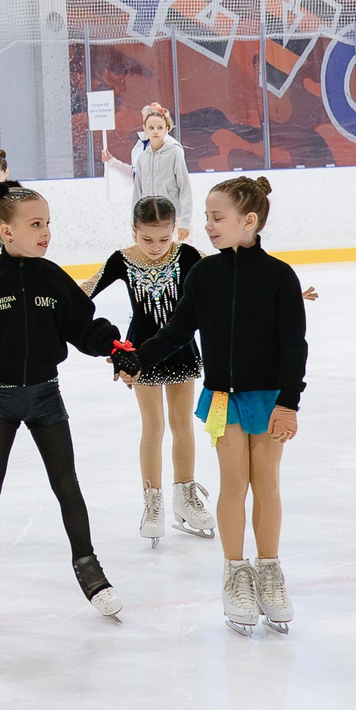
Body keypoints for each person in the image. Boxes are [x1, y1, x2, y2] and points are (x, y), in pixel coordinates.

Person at [116, 176, 308, 636]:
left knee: (267, 485)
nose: (207, 225)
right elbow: (177, 331)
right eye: (205, 217)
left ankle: (269, 570)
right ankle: (235, 572)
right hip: (222, 399)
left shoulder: (280, 276)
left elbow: (293, 347)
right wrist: (138, 359)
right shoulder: (204, 274)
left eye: (216, 218)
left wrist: (289, 403)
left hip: (268, 401)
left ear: (249, 221)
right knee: (232, 483)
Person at [0, 187, 128, 632]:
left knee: (66, 484)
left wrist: (114, 348)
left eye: (47, 223)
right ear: (6, 231)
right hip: (0, 397)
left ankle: (91, 572)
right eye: (35, 224)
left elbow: (84, 326)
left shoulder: (52, 277)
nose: (46, 232)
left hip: (46, 396)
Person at [83, 195, 210, 547]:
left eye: (164, 238)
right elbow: (86, 290)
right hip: (139, 354)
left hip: (182, 349)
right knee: (152, 426)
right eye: (147, 239)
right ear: (134, 231)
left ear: (175, 232)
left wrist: (281, 292)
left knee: (182, 424)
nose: (155, 247)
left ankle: (185, 495)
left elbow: (226, 281)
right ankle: (152, 502)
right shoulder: (122, 260)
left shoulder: (188, 256)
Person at [129, 104, 193, 240]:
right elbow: (137, 192)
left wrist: (185, 222)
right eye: (151, 128)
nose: (155, 132)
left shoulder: (175, 152)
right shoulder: (142, 157)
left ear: (167, 129)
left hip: (171, 218)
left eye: (160, 128)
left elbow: (185, 187)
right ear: (144, 129)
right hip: (148, 217)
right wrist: (134, 222)